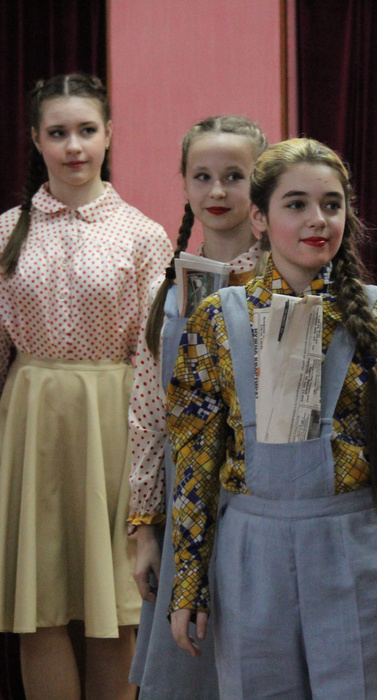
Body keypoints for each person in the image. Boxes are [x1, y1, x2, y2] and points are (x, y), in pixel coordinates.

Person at [165, 138, 377, 698]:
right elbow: (194, 463)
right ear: (259, 217)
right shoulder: (215, 321)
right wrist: (189, 583)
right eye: (296, 204)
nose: (317, 220)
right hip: (252, 560)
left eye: (331, 204)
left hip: (356, 555)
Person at [0, 74, 171, 700]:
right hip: (29, 424)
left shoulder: (143, 234)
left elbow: (151, 358)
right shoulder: (5, 231)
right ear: (35, 140)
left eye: (87, 130)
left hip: (114, 424)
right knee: (37, 607)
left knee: (115, 609)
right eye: (58, 133)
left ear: (108, 135)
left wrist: (148, 478)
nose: (74, 146)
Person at [127, 115, 267, 699]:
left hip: (263, 503)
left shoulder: (288, 283)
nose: (217, 191)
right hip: (186, 506)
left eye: (234, 176)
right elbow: (147, 416)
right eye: (202, 176)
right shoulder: (165, 291)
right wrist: (145, 530)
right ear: (184, 183)